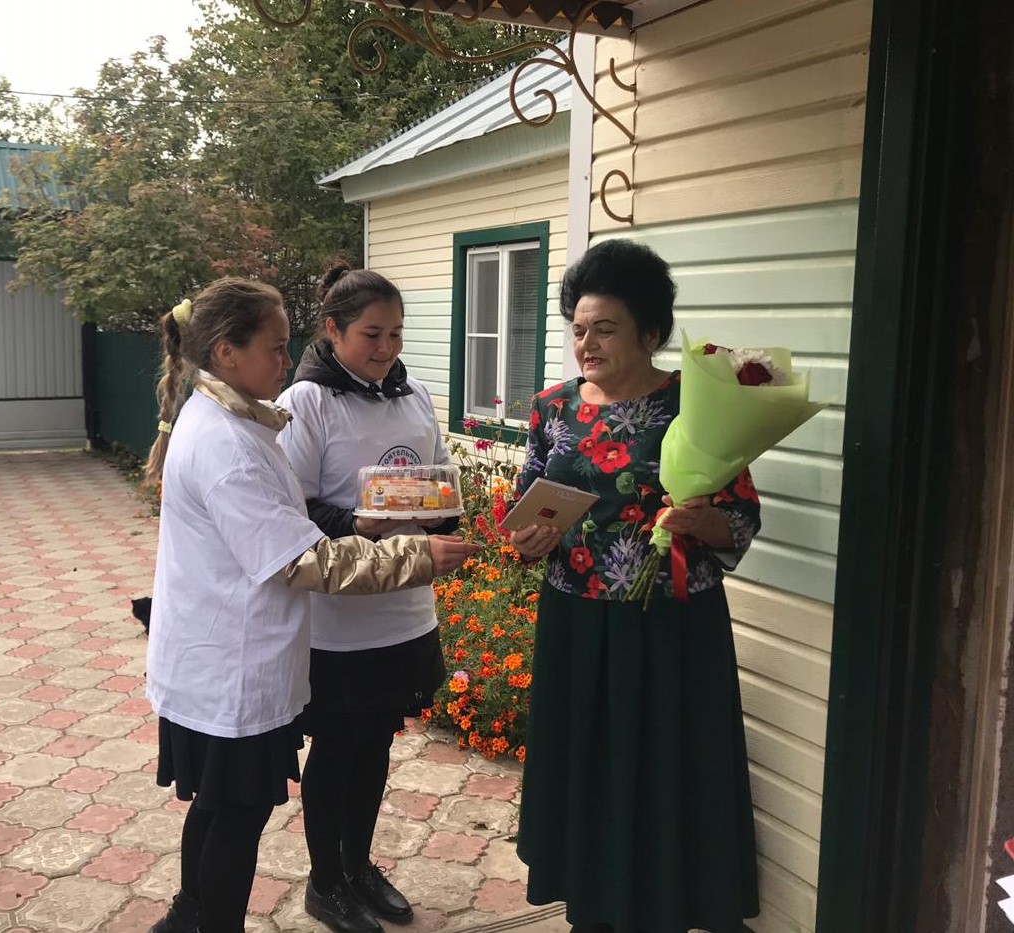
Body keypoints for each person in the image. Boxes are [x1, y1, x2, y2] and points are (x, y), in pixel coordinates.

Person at [142, 278, 478, 933]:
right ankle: (213, 919)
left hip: (225, 659)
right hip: (232, 667)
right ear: (227, 352)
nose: (285, 359)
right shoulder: (228, 444)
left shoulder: (231, 421)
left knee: (222, 806)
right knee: (235, 814)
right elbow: (303, 560)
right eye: (274, 347)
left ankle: (190, 917)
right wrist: (414, 555)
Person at [509, 240, 761, 933]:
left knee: (667, 768)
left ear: (650, 332)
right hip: (577, 625)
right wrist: (526, 540)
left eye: (605, 328)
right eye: (579, 329)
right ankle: (594, 906)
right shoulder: (552, 407)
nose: (586, 344)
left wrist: (705, 521)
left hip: (671, 625)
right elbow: (526, 505)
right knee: (589, 769)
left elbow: (741, 517)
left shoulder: (696, 405)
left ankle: (666, 905)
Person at [275, 260, 458, 933]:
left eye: (396, 334)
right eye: (371, 335)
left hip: (404, 610)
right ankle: (325, 881)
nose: (386, 349)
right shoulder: (307, 402)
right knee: (337, 747)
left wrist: (444, 513)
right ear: (333, 330)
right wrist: (358, 522)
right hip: (339, 619)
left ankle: (358, 866)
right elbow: (290, 509)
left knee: (377, 741)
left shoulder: (416, 396)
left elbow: (442, 482)